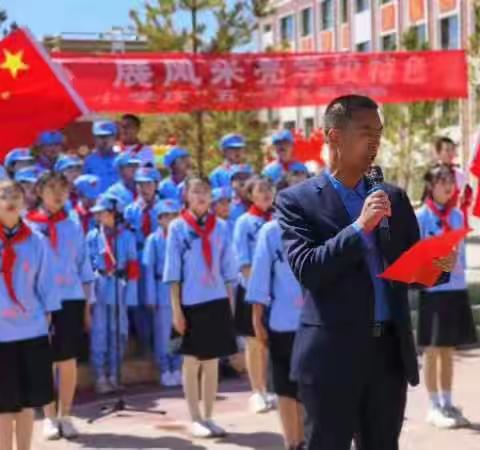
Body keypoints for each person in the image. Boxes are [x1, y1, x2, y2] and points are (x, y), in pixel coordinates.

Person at [275, 95, 456, 450]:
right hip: (331, 357)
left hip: (387, 354)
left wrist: (437, 267)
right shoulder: (297, 201)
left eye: (379, 132)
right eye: (364, 132)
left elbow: (410, 269)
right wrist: (360, 227)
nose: (374, 141)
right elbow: (309, 270)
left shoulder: (394, 197)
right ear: (333, 137)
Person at [163, 175, 237, 438]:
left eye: (205, 191)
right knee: (192, 361)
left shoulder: (222, 227)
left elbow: (229, 269)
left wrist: (229, 303)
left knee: (212, 361)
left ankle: (209, 416)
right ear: (187, 196)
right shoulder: (178, 228)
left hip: (216, 300)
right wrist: (176, 310)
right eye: (196, 191)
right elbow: (173, 273)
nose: (201, 196)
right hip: (190, 303)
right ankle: (194, 417)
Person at [26, 172, 95, 441]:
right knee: (45, 360)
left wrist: (87, 306)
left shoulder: (73, 225)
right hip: (39, 302)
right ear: (40, 191)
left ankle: (66, 415)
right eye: (52, 188)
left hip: (70, 299)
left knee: (67, 360)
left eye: (63, 190)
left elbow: (84, 267)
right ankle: (49, 417)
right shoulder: (28, 226)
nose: (58, 194)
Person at [0, 179, 60, 450]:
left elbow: (46, 284)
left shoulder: (36, 240)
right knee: (3, 406)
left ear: (24, 202)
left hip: (30, 331)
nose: (10, 199)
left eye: (15, 194)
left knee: (26, 404)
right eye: (3, 195)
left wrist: (44, 322)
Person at [416, 164, 477, 429]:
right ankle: (433, 406)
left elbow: (460, 254)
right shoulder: (421, 217)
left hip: (454, 289)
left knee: (448, 350)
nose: (448, 185)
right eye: (442, 180)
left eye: (450, 181)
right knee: (432, 350)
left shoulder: (455, 216)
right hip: (433, 292)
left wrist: (456, 268)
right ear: (431, 185)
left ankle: (448, 401)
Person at [247, 178, 305, 450]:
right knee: (285, 388)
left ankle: (306, 440)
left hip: (313, 323)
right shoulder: (270, 232)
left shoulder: (318, 230)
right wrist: (257, 319)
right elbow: (259, 278)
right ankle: (291, 442)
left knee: (310, 386)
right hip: (282, 322)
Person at [87, 194, 139, 394]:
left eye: (103, 213)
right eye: (98, 214)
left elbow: (133, 268)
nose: (99, 217)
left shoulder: (126, 236)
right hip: (100, 286)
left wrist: (131, 296)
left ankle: (115, 374)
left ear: (114, 213)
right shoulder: (92, 236)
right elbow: (86, 266)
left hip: (120, 287)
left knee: (118, 332)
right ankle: (100, 375)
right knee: (100, 332)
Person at [233, 175, 276, 414]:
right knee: (253, 342)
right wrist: (259, 289)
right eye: (260, 189)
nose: (266, 193)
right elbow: (244, 261)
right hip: (252, 291)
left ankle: (270, 388)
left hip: (275, 291)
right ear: (251, 195)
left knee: (269, 342)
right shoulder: (243, 222)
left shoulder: (280, 220)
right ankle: (257, 391)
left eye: (269, 188)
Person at [143, 199, 183, 387]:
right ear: (159, 219)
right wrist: (150, 297)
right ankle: (165, 368)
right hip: (161, 289)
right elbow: (148, 270)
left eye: (174, 215)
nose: (170, 219)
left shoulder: (182, 237)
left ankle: (177, 366)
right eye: (166, 216)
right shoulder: (153, 239)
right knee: (162, 334)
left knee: (178, 332)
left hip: (179, 289)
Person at [124, 167, 162, 354]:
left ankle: (161, 345)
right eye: (140, 184)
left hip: (160, 260)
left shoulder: (165, 208)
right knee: (140, 302)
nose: (144, 188)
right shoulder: (130, 210)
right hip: (138, 258)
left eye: (148, 184)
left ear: (156, 185)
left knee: (160, 303)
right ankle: (144, 342)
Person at [434, 136, 473, 227]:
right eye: (447, 150)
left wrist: (466, 195)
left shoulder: (459, 174)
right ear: (438, 153)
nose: (450, 153)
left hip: (456, 223)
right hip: (437, 223)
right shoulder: (433, 175)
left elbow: (468, 198)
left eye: (452, 150)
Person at [84, 121, 120, 193]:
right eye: (101, 136)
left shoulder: (122, 159)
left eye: (108, 136)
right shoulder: (89, 161)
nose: (105, 140)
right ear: (94, 138)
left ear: (114, 137)